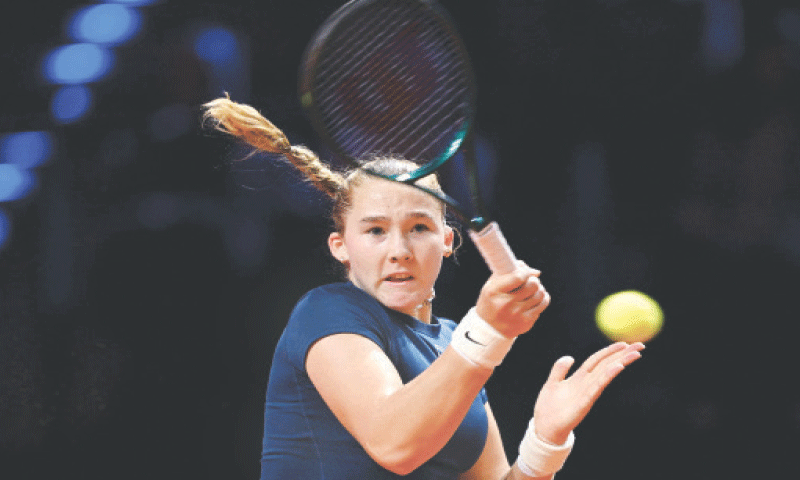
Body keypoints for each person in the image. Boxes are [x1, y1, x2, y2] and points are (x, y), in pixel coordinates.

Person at [202, 96, 645, 480]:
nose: (399, 250)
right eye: (375, 231)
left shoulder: (455, 346)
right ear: (341, 246)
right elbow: (394, 445)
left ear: (447, 241)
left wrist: (545, 440)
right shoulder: (328, 312)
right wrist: (489, 333)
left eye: (418, 227)